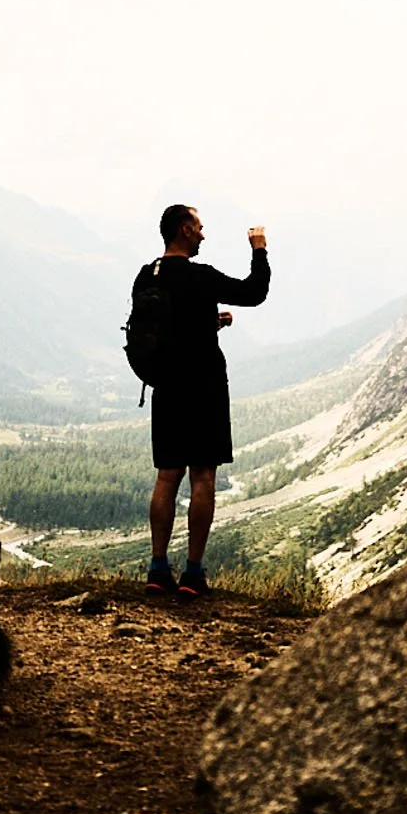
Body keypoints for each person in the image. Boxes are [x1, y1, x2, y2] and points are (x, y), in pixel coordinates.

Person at [133, 205, 270, 598]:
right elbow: (253, 292)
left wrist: (211, 322)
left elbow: (166, 326)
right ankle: (193, 573)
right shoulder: (201, 277)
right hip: (204, 385)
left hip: (166, 385)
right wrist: (258, 249)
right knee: (202, 478)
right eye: (199, 228)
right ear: (184, 229)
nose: (203, 235)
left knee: (167, 477)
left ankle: (158, 568)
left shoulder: (147, 275)